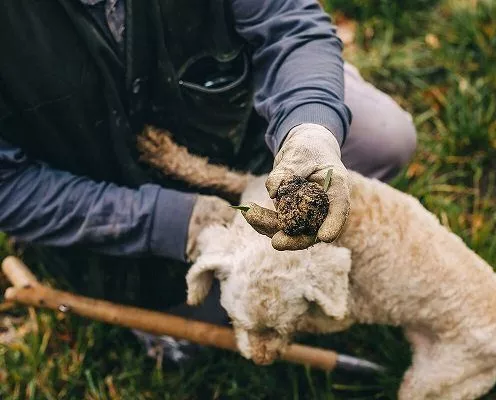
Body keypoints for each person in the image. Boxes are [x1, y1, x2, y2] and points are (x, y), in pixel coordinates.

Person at [0, 0, 416, 340]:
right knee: (228, 312)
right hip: (100, 198)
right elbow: (9, 188)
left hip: (234, 122)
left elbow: (288, 25)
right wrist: (174, 223)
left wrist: (310, 128)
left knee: (383, 140)